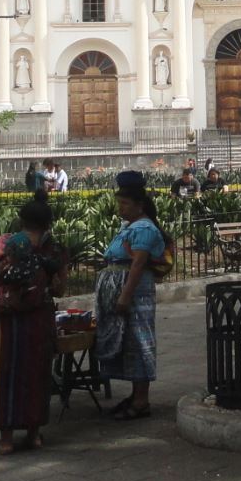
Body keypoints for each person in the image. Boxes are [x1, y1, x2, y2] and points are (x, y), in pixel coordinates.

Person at [0, 198, 68, 454]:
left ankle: (6, 441)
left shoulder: (5, 243)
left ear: (21, 220)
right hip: (39, 319)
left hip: (7, 321)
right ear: (48, 224)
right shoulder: (54, 250)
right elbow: (60, 289)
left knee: (4, 374)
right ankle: (34, 436)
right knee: (36, 374)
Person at [96, 173, 166, 420]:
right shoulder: (130, 226)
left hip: (135, 294)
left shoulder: (144, 228)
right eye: (120, 203)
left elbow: (137, 264)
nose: (120, 208)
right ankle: (135, 395)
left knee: (139, 340)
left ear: (140, 205)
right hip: (123, 288)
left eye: (125, 203)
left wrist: (125, 296)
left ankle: (141, 400)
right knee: (128, 343)